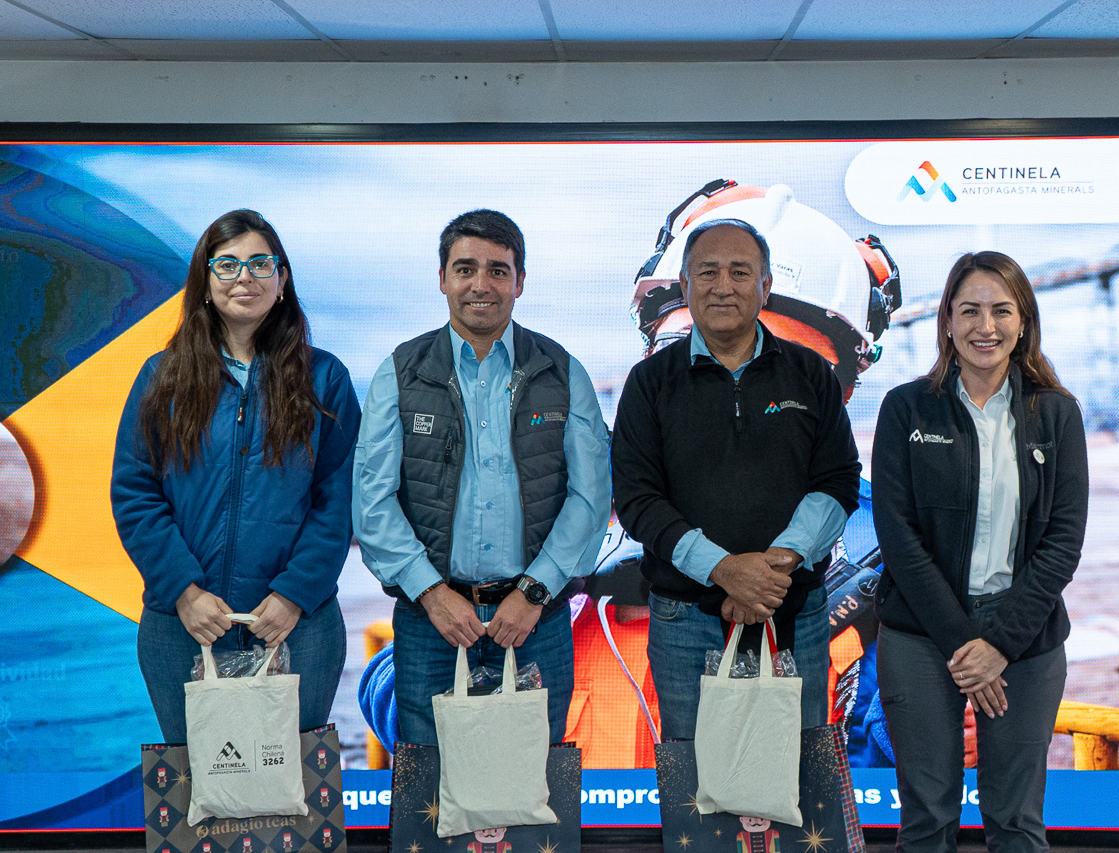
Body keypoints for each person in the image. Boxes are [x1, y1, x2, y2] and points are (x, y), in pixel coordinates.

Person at [353, 209, 610, 745]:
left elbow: (590, 498)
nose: (480, 285)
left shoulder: (563, 372)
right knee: (429, 775)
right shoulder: (400, 372)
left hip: (536, 622)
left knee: (535, 774)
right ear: (442, 278)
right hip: (432, 622)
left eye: (498, 270)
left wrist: (533, 594)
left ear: (520, 281)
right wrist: (431, 594)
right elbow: (372, 500)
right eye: (465, 269)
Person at [112, 209, 361, 743]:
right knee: (196, 780)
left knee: (292, 780)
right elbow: (136, 493)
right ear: (204, 284)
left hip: (298, 624)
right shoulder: (162, 377)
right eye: (226, 265)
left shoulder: (325, 378)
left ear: (281, 279)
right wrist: (184, 593)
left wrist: (293, 594)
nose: (244, 277)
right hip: (184, 624)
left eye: (259, 263)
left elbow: (339, 499)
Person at [611, 217, 862, 740]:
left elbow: (837, 479)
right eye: (708, 271)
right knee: (692, 771)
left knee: (798, 769)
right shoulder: (649, 383)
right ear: (685, 285)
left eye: (740, 272)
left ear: (764, 286)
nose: (723, 286)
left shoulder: (810, 375)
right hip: (685, 618)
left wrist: (772, 571)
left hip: (794, 610)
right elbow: (637, 497)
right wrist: (725, 570)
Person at [871, 251, 1088, 853]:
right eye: (969, 310)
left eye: (1001, 311)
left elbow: (1063, 540)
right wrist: (964, 643)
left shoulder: (1057, 413)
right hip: (921, 634)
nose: (984, 326)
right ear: (947, 320)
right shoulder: (906, 409)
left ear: (1023, 322)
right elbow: (898, 537)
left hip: (1025, 636)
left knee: (1016, 823)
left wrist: (1000, 645)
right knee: (927, 821)